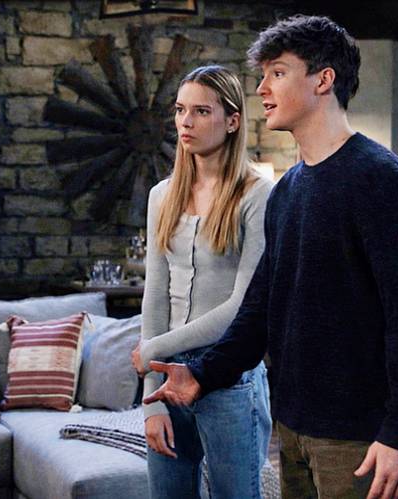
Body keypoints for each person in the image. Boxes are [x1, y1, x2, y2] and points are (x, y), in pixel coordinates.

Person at [144, 15, 398, 499]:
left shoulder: (380, 179)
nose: (262, 88)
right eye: (263, 75)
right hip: (294, 427)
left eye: (277, 73)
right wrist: (201, 374)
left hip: (357, 436)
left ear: (324, 80)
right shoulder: (289, 188)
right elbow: (260, 309)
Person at [131, 65, 274, 498]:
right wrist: (150, 400)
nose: (185, 122)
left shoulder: (257, 194)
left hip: (229, 378)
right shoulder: (162, 195)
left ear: (232, 121)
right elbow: (155, 297)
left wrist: (151, 350)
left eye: (201, 111)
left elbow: (242, 307)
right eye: (180, 110)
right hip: (166, 375)